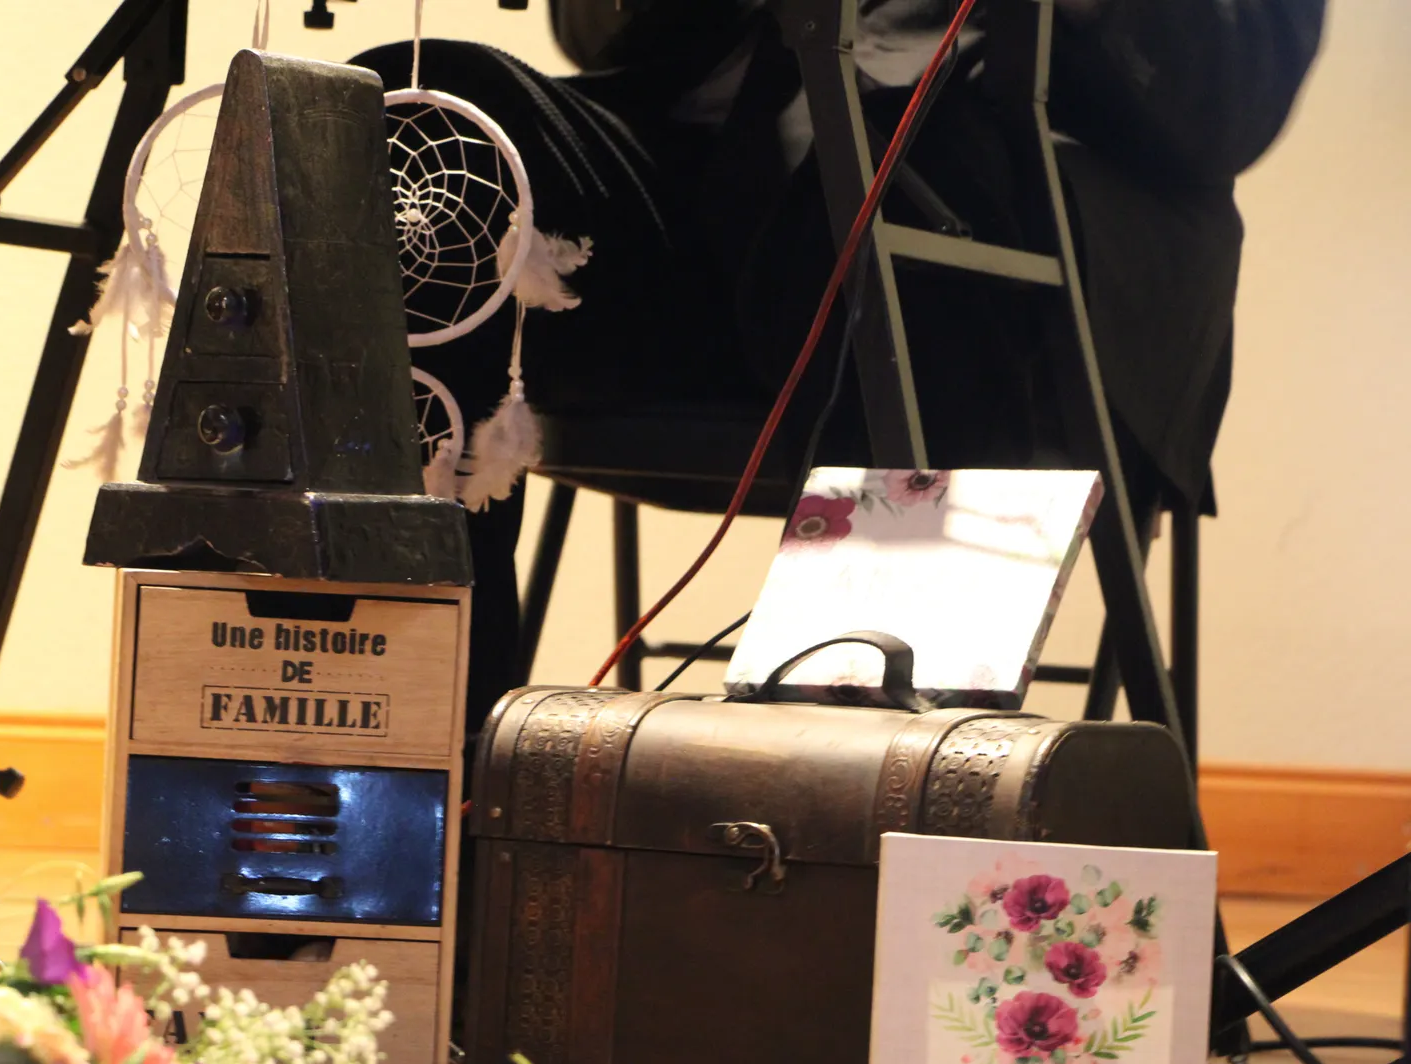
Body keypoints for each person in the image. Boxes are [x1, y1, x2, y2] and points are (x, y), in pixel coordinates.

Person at [350, 0, 1327, 738]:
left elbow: (1233, 99)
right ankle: (419, 773)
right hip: (698, 207)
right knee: (417, 117)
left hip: (998, 240)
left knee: (915, 192)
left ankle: (826, 832)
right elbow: (595, 27)